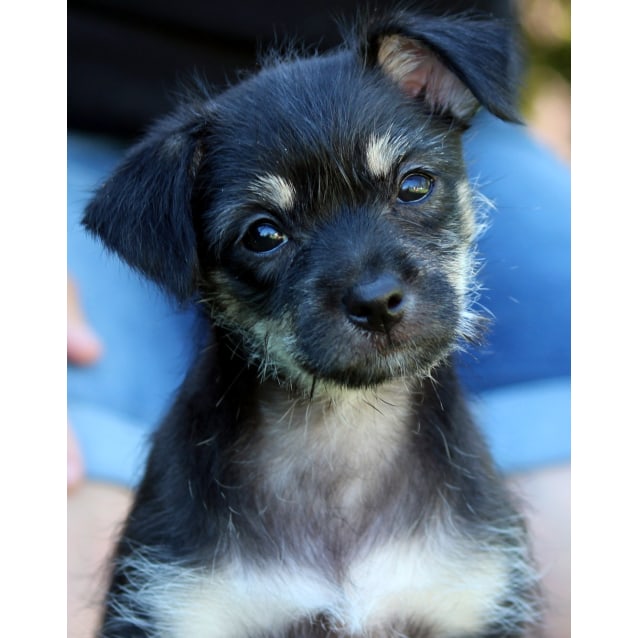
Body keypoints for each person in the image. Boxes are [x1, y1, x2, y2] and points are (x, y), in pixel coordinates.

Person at [67, 1, 570, 636]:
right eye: (265, 234)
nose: (375, 291)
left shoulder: (418, 80)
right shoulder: (183, 577)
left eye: (412, 190)